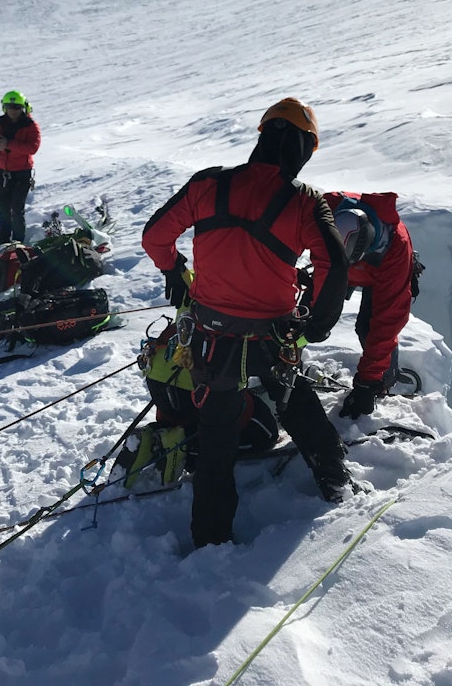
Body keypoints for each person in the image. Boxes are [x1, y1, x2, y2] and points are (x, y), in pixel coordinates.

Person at [141, 98, 351, 549]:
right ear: (304, 147)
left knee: (216, 438)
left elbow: (155, 235)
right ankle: (335, 480)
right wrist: (316, 325)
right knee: (295, 400)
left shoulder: (207, 184)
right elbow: (335, 264)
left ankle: (210, 541)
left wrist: (174, 270)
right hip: (273, 336)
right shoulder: (304, 201)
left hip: (212, 337)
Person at [323, 191, 418, 420]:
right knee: (312, 315)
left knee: (368, 327)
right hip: (335, 263)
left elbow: (386, 324)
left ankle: (383, 380)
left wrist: (367, 384)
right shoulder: (324, 209)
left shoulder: (396, 249)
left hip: (378, 274)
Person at [0, 90, 41, 244]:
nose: (13, 110)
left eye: (16, 107)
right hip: (3, 174)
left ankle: (18, 243)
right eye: (10, 107)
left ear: (23, 108)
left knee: (16, 210)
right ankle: (4, 243)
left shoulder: (30, 126)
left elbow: (32, 148)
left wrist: (8, 144)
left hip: (22, 174)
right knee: (3, 211)